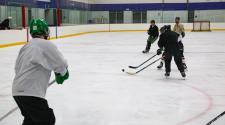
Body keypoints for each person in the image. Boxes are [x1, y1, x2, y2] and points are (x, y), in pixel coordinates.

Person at [12, 19, 69, 125]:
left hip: (17, 91)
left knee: (31, 120)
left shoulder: (26, 46)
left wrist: (58, 72)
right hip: (31, 92)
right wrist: (62, 73)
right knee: (47, 119)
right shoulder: (45, 44)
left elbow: (17, 68)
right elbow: (60, 63)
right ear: (45, 31)